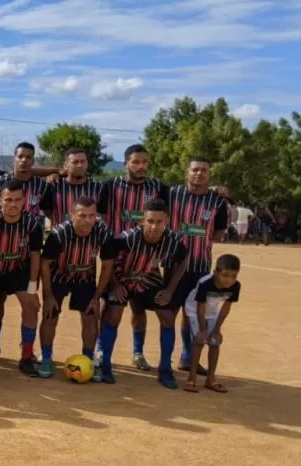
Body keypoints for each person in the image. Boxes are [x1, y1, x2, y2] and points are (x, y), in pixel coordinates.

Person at [97, 199, 188, 387]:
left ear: (167, 222)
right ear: (142, 222)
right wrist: (114, 285)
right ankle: (105, 365)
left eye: (159, 222)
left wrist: (169, 290)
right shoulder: (127, 237)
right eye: (150, 221)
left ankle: (165, 369)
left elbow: (183, 261)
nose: (154, 226)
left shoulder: (173, 241)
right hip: (122, 276)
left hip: (148, 278)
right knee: (114, 313)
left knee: (167, 315)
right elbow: (109, 259)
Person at [99, 144, 170, 372]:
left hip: (147, 264)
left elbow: (182, 195)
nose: (141, 166)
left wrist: (216, 191)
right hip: (117, 261)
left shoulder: (158, 187)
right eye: (136, 162)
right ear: (126, 163)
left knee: (139, 309)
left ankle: (137, 353)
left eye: (145, 162)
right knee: (110, 308)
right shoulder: (110, 187)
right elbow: (99, 217)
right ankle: (102, 352)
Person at [39, 197, 117, 378]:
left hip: (85, 277)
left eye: (92, 216)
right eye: (83, 215)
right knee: (50, 315)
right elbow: (44, 265)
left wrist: (97, 297)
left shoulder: (102, 232)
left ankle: (89, 360)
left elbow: (107, 266)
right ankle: (46, 358)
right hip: (59, 276)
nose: (88, 220)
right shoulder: (59, 234)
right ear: (72, 215)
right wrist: (48, 295)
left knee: (90, 317)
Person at [166, 157, 229, 375]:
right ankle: (165, 361)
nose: (199, 174)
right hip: (173, 265)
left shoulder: (218, 202)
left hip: (201, 267)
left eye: (204, 170)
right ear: (187, 172)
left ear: (209, 174)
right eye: (195, 170)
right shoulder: (172, 194)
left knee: (193, 315)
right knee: (169, 313)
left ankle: (186, 358)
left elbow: (219, 233)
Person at [0, 179, 43, 375]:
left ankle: (26, 357)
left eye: (18, 200)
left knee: (31, 306)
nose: (13, 204)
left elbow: (36, 255)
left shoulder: (32, 223)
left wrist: (32, 288)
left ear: (25, 201)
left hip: (17, 269)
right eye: (8, 199)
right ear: (0, 201)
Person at [183, 254, 241, 393]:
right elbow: (200, 307)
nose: (229, 280)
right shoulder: (205, 283)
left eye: (234, 276)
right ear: (216, 273)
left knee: (215, 342)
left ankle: (210, 379)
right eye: (225, 275)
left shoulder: (235, 286)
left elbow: (226, 308)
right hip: (194, 309)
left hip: (212, 312)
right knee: (199, 341)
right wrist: (203, 330)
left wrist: (217, 329)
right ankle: (191, 378)